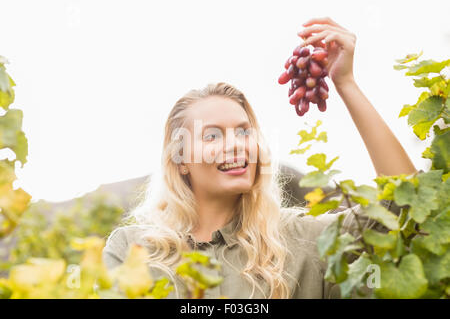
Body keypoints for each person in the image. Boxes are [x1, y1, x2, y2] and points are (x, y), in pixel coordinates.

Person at [102, 17, 418, 299]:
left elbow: (403, 208)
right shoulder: (132, 250)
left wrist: (345, 82)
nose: (237, 145)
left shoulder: (303, 239)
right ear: (181, 160)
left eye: (243, 131)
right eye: (212, 136)